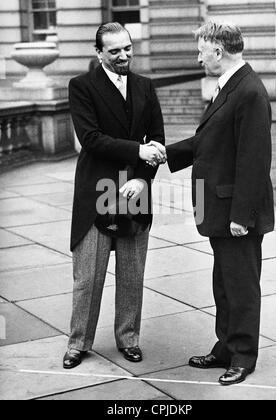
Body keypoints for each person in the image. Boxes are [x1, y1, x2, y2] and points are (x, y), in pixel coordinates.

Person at [151, 21, 274, 385]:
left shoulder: (249, 91)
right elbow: (210, 141)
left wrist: (242, 216)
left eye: (201, 51)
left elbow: (254, 160)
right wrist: (165, 154)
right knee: (224, 282)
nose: (198, 58)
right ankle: (225, 347)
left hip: (236, 213)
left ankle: (243, 356)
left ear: (218, 52)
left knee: (241, 286)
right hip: (218, 208)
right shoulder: (231, 87)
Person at [63, 22, 165, 369]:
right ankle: (78, 343)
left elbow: (158, 143)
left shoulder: (145, 87)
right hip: (96, 194)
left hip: (135, 192)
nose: (124, 56)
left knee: (132, 273)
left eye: (127, 48)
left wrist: (142, 181)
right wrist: (138, 153)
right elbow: (90, 138)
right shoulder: (81, 87)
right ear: (99, 53)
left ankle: (128, 339)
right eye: (115, 51)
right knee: (88, 277)